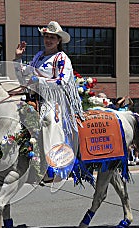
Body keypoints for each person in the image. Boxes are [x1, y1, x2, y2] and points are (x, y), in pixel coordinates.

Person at [14, 21, 82, 179]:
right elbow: (24, 77)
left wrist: (38, 81)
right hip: (35, 98)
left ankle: (54, 167)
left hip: (56, 100)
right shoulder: (38, 56)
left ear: (58, 40)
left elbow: (61, 82)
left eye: (52, 37)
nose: (48, 40)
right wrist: (18, 59)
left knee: (49, 121)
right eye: (46, 36)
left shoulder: (62, 58)